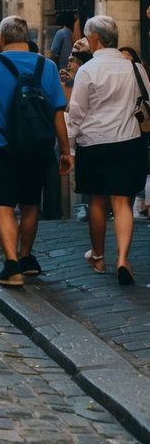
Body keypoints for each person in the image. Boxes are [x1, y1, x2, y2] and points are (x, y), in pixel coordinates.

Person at [0, 14, 71, 287]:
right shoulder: (46, 66)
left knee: (2, 204)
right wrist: (65, 150)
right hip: (38, 146)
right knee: (31, 204)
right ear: (27, 39)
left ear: (1, 39)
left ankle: (11, 264)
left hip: (2, 146)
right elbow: (58, 112)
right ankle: (26, 256)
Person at [68, 15, 150, 284]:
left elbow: (77, 112)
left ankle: (99, 256)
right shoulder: (135, 68)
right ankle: (123, 258)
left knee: (97, 202)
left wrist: (68, 146)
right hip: (128, 141)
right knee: (122, 201)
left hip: (94, 143)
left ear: (94, 38)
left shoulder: (88, 70)